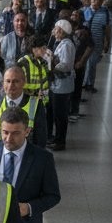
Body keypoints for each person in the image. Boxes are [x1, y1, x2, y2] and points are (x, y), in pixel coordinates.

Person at [0, 65, 47, 149]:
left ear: (24, 82)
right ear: (3, 83)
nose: (11, 85)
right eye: (8, 81)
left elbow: (41, 139)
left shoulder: (36, 105)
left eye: (16, 81)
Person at [48, 20, 75, 151]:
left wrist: (51, 64)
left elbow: (66, 65)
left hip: (62, 87)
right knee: (57, 114)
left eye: (56, 29)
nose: (54, 31)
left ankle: (60, 141)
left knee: (60, 115)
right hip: (57, 85)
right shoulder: (60, 43)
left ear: (62, 31)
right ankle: (57, 138)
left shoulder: (66, 45)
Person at [82, 0, 112, 93]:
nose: (96, 2)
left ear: (101, 2)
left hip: (97, 42)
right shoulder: (84, 11)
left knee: (92, 63)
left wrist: (107, 42)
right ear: (90, 0)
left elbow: (107, 28)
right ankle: (83, 83)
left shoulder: (105, 12)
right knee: (84, 63)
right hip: (84, 43)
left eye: (98, 0)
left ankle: (89, 84)